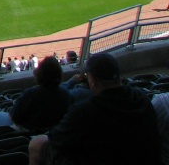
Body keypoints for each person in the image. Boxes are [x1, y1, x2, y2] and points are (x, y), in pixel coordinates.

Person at [28, 52, 160, 165]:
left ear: (93, 81)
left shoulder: (84, 111)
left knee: (37, 143)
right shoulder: (141, 96)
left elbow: (55, 139)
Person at [0, 56, 72, 132]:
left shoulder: (31, 93)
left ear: (39, 74)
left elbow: (14, 117)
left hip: (29, 132)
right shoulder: (66, 94)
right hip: (53, 132)